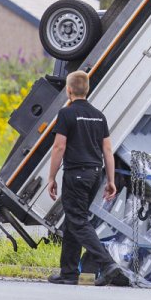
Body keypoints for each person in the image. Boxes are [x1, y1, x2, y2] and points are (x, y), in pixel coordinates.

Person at [46, 71, 126, 287]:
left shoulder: (66, 114)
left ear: (68, 90)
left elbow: (59, 146)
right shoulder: (99, 115)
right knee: (73, 221)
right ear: (87, 89)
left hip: (76, 173)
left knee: (78, 221)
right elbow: (107, 150)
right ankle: (68, 273)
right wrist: (110, 180)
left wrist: (51, 177)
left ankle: (108, 265)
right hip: (94, 175)